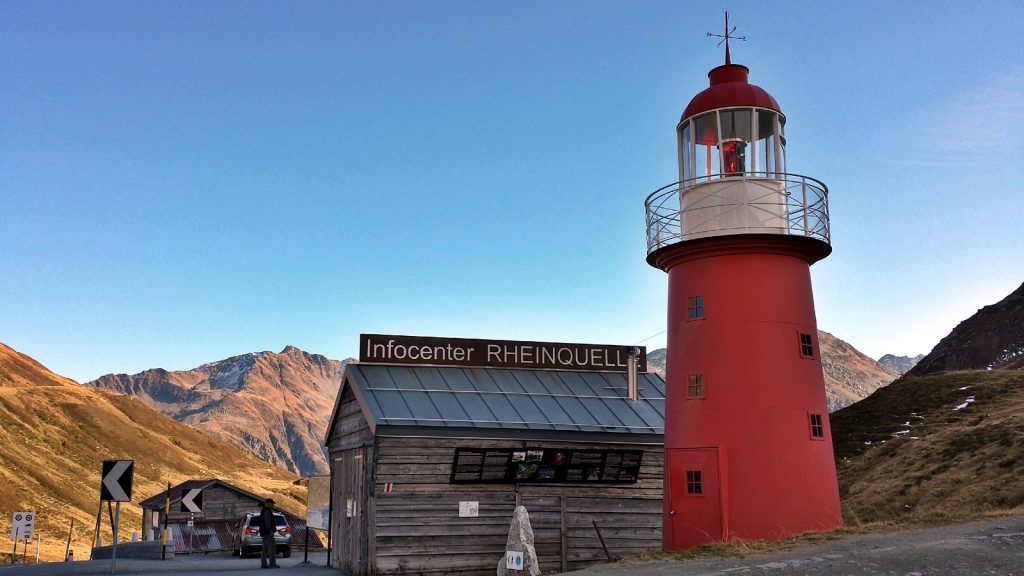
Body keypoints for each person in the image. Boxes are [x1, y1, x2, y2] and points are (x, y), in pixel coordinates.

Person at [258, 498, 279, 569]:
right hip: (267, 533)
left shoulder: (263, 511)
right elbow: (267, 522)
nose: (272, 505)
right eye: (271, 503)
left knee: (265, 549)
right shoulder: (267, 511)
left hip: (264, 533)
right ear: (267, 503)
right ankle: (272, 564)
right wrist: (270, 530)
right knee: (272, 548)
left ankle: (263, 564)